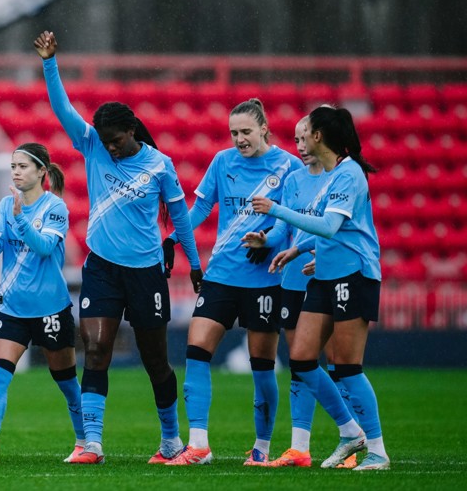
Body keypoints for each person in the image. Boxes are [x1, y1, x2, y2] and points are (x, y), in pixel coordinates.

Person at [34, 31, 202, 465]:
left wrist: (195, 263)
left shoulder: (159, 165)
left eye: (116, 140)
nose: (109, 147)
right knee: (96, 348)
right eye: (104, 141)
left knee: (155, 361)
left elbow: (180, 217)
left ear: (131, 131)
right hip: (102, 268)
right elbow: (62, 109)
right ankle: (92, 444)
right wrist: (51, 63)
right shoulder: (91, 145)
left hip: (145, 272)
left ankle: (170, 442)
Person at [248, 106, 390, 471]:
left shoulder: (349, 174)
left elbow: (330, 227)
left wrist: (276, 211)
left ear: (319, 136)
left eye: (305, 131)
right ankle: (349, 431)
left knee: (347, 366)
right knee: (302, 357)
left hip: (354, 275)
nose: (300, 140)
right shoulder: (327, 174)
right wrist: (297, 248)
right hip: (324, 276)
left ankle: (377, 450)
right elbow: (327, 230)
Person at [165, 98, 303, 466]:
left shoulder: (289, 167)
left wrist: (270, 240)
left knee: (262, 365)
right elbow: (199, 211)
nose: (239, 139)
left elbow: (291, 219)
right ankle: (198, 445)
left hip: (265, 279)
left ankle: (262, 447)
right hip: (222, 274)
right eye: (234, 133)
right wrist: (171, 239)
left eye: (246, 132)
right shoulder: (222, 162)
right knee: (196, 351)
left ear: (264, 130)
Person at [0, 143, 85, 464]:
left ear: (42, 172)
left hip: (50, 310)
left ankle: (86, 442)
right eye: (13, 166)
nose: (15, 172)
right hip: (12, 308)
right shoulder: (6, 204)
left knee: (67, 382)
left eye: (22, 166)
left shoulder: (55, 208)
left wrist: (19, 220)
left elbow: (44, 247)